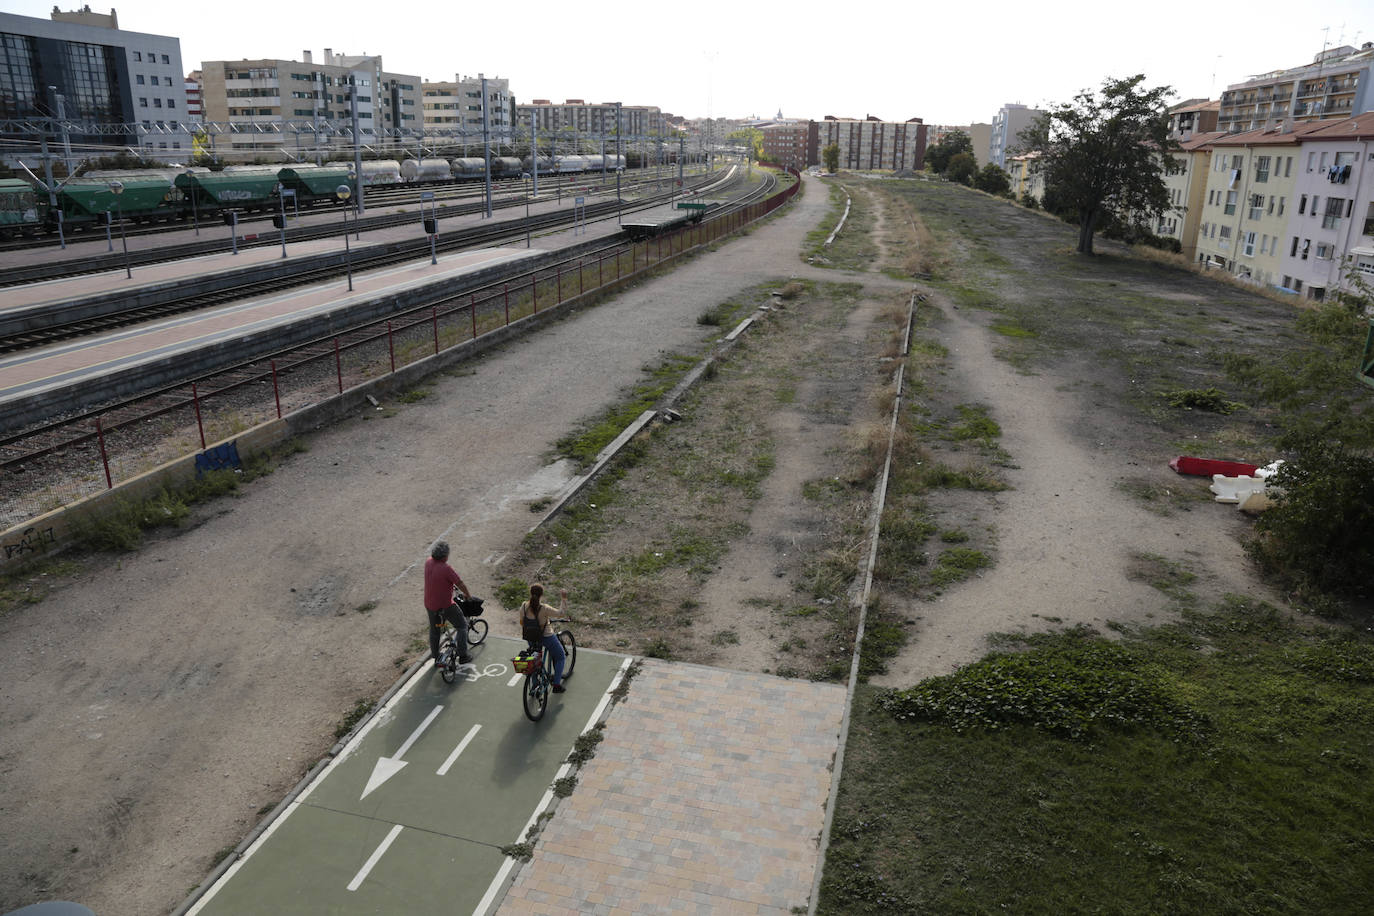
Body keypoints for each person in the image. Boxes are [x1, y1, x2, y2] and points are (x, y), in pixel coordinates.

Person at [424, 540, 472, 669]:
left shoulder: (428, 562)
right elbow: (459, 583)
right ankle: (463, 655)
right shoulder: (446, 568)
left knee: (435, 630)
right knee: (462, 626)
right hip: (445, 606)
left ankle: (436, 655)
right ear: (445, 556)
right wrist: (467, 594)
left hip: (430, 604)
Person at [520, 583, 567, 693]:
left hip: (530, 637)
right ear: (541, 595)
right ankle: (556, 685)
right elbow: (561, 613)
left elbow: (522, 622)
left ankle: (535, 685)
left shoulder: (523, 606)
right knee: (560, 657)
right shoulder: (544, 608)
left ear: (530, 593)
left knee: (535, 661)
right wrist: (563, 599)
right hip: (546, 637)